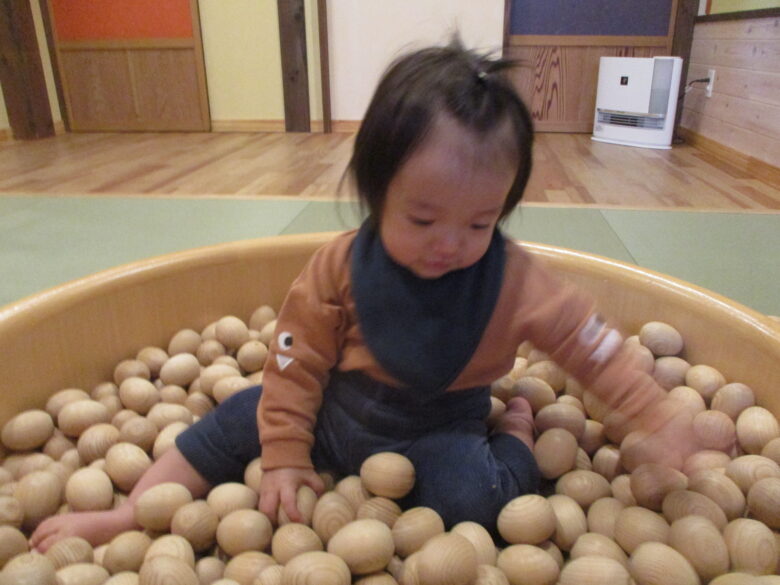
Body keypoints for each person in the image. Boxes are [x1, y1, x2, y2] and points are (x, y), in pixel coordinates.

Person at [30, 38, 704, 553]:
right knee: (236, 417)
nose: (449, 243)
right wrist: (285, 454)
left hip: (440, 427)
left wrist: (654, 412)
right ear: (376, 194)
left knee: (477, 501)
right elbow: (293, 361)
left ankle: (517, 438)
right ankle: (131, 510)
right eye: (422, 218)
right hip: (334, 410)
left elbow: (591, 344)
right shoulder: (341, 267)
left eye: (480, 223)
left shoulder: (516, 282)